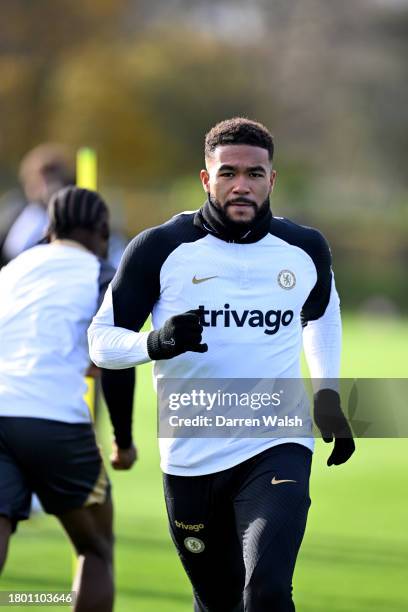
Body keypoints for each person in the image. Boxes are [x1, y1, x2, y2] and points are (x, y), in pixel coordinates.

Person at [88, 117, 355, 611]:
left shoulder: (305, 247)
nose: (241, 185)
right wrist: (155, 344)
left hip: (277, 441)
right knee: (218, 601)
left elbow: (321, 314)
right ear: (205, 179)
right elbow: (100, 343)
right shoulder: (159, 248)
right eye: (228, 172)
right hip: (191, 455)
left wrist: (328, 395)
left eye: (255, 174)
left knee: (266, 591)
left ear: (272, 180)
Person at [0, 186, 136, 612]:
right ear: (101, 230)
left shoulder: (12, 270)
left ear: (49, 228)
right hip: (54, 419)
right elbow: (112, 358)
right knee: (95, 548)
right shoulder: (102, 273)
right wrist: (123, 439)